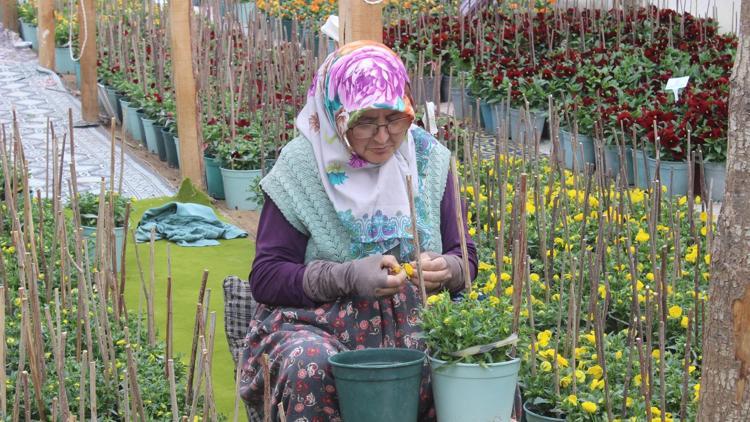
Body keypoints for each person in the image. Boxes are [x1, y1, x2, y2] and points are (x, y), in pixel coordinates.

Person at [239, 41, 477, 421]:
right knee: (311, 366)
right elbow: (266, 277)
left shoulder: (429, 159)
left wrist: (450, 269)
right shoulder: (302, 165)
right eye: (365, 121)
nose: (383, 137)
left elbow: (465, 254)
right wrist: (345, 275)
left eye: (396, 119)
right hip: (318, 324)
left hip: (420, 322)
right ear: (335, 114)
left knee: (472, 360)